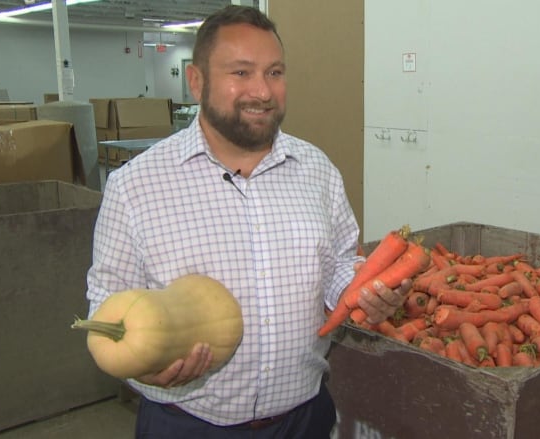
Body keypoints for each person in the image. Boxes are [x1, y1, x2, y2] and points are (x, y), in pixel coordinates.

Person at [85, 5, 411, 438]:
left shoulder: (317, 170)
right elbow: (106, 305)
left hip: (304, 418)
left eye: (274, 73)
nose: (262, 91)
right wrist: (142, 371)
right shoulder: (134, 187)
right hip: (185, 425)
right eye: (240, 73)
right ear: (197, 80)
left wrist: (364, 293)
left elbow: (336, 269)